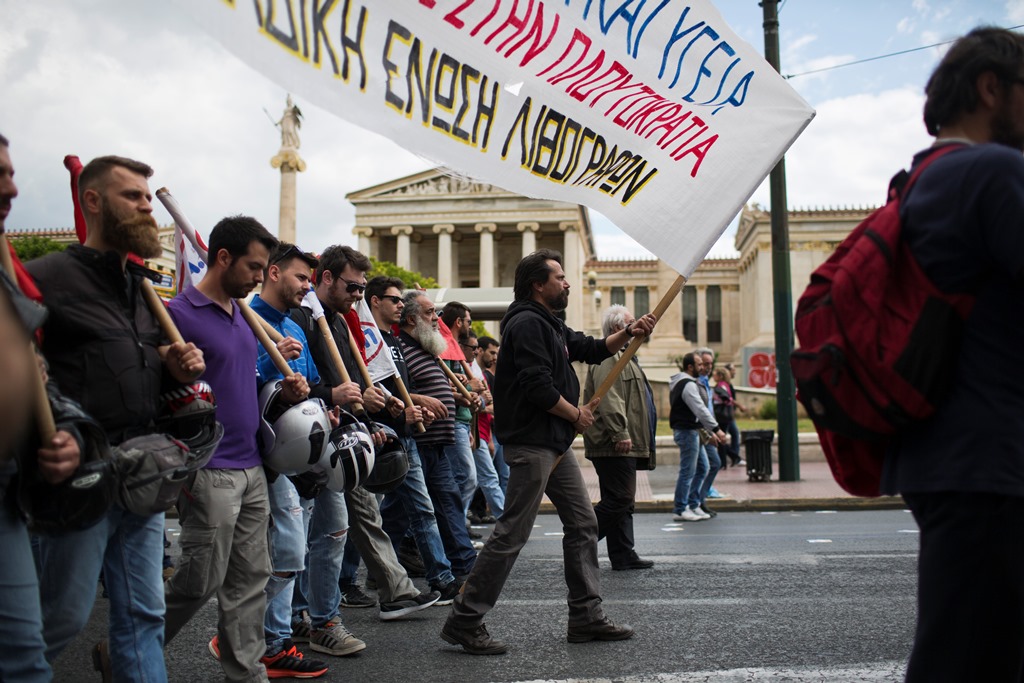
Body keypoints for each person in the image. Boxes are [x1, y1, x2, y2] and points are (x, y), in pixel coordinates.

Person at [879, 27, 1024, 682]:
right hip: (995, 460)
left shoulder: (917, 181)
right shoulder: (994, 172)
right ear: (993, 89)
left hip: (941, 456)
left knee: (965, 648)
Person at [27, 155, 205, 683]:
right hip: (78, 478)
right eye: (133, 196)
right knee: (56, 619)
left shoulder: (142, 286)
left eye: (150, 198)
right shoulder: (47, 279)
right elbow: (23, 373)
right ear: (93, 202)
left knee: (144, 615)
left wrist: (171, 369)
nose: (148, 207)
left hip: (142, 477)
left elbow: (135, 371)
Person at [442, 249, 656, 655]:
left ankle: (585, 616)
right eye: (559, 277)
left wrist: (629, 332)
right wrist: (576, 413)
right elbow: (537, 387)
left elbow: (593, 348)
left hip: (554, 442)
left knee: (583, 524)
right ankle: (465, 620)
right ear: (538, 284)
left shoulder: (551, 324)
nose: (568, 282)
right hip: (532, 443)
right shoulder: (525, 324)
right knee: (512, 532)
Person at [289, 245, 439, 622]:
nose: (358, 297)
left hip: (346, 437)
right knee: (308, 535)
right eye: (353, 288)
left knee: (338, 528)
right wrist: (333, 395)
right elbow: (298, 385)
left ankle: (320, 613)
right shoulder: (303, 319)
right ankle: (301, 615)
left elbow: (353, 382)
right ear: (326, 278)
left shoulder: (339, 321)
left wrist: (372, 416)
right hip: (311, 441)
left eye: (361, 289)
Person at [163, 215, 285, 682]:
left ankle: (246, 675)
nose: (259, 277)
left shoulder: (242, 315)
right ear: (222, 257)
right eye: (254, 267)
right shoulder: (178, 314)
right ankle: (130, 648)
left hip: (252, 465)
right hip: (208, 467)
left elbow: (240, 382)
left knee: (250, 583)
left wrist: (280, 390)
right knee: (199, 581)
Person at [0, 134, 100, 683]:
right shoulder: (51, 277)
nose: (13, 187)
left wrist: (65, 432)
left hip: (10, 486)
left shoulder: (10, 278)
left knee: (27, 653)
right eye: (1, 173)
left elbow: (41, 374)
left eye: (13, 172)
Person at [247, 242, 336, 674]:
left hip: (295, 452)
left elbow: (311, 388)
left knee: (290, 549)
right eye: (302, 278)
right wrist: (272, 362)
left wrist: (325, 406)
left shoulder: (297, 327)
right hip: (252, 451)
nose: (307, 286)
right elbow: (238, 382)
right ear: (274, 271)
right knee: (281, 549)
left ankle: (267, 640)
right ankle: (259, 638)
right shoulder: (246, 316)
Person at [366, 275, 463, 604]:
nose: (399, 306)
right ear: (376, 301)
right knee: (373, 515)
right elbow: (369, 388)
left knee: (405, 512)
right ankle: (441, 576)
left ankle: (437, 575)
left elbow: (399, 388)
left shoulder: (393, 343)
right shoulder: (371, 340)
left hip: (407, 435)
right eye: (394, 300)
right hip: (382, 436)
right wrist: (409, 405)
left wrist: (412, 403)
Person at [398, 291, 479, 582]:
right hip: (417, 442)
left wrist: (461, 398)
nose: (437, 319)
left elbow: (440, 390)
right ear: (411, 319)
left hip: (437, 442)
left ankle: (464, 567)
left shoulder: (428, 348)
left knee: (447, 502)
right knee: (406, 513)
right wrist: (419, 399)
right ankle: (381, 568)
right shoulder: (399, 349)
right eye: (431, 312)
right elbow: (392, 390)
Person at [583, 305, 656, 571]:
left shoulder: (627, 356)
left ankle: (623, 553)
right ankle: (581, 540)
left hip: (623, 442)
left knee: (624, 501)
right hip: (613, 442)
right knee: (620, 499)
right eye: (631, 322)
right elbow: (607, 397)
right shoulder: (609, 357)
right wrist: (619, 432)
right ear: (617, 329)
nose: (637, 325)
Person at [668, 352, 727, 523]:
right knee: (688, 471)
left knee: (703, 467)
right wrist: (717, 429)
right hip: (687, 432)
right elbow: (700, 409)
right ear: (690, 367)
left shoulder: (687, 383)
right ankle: (680, 509)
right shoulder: (687, 385)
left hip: (693, 431)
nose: (702, 367)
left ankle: (693, 505)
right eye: (699, 364)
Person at [694, 348, 722, 517]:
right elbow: (698, 410)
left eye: (711, 363)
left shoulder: (705, 381)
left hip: (708, 430)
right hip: (701, 431)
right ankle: (694, 501)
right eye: (705, 363)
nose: (708, 367)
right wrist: (709, 433)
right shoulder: (695, 383)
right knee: (705, 466)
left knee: (708, 466)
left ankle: (698, 500)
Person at [712, 367, 744, 467]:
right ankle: (728, 459)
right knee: (721, 438)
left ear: (720, 376)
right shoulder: (725, 385)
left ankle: (730, 458)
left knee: (721, 438)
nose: (713, 376)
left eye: (715, 374)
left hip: (722, 415)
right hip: (725, 416)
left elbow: (726, 398)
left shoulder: (721, 386)